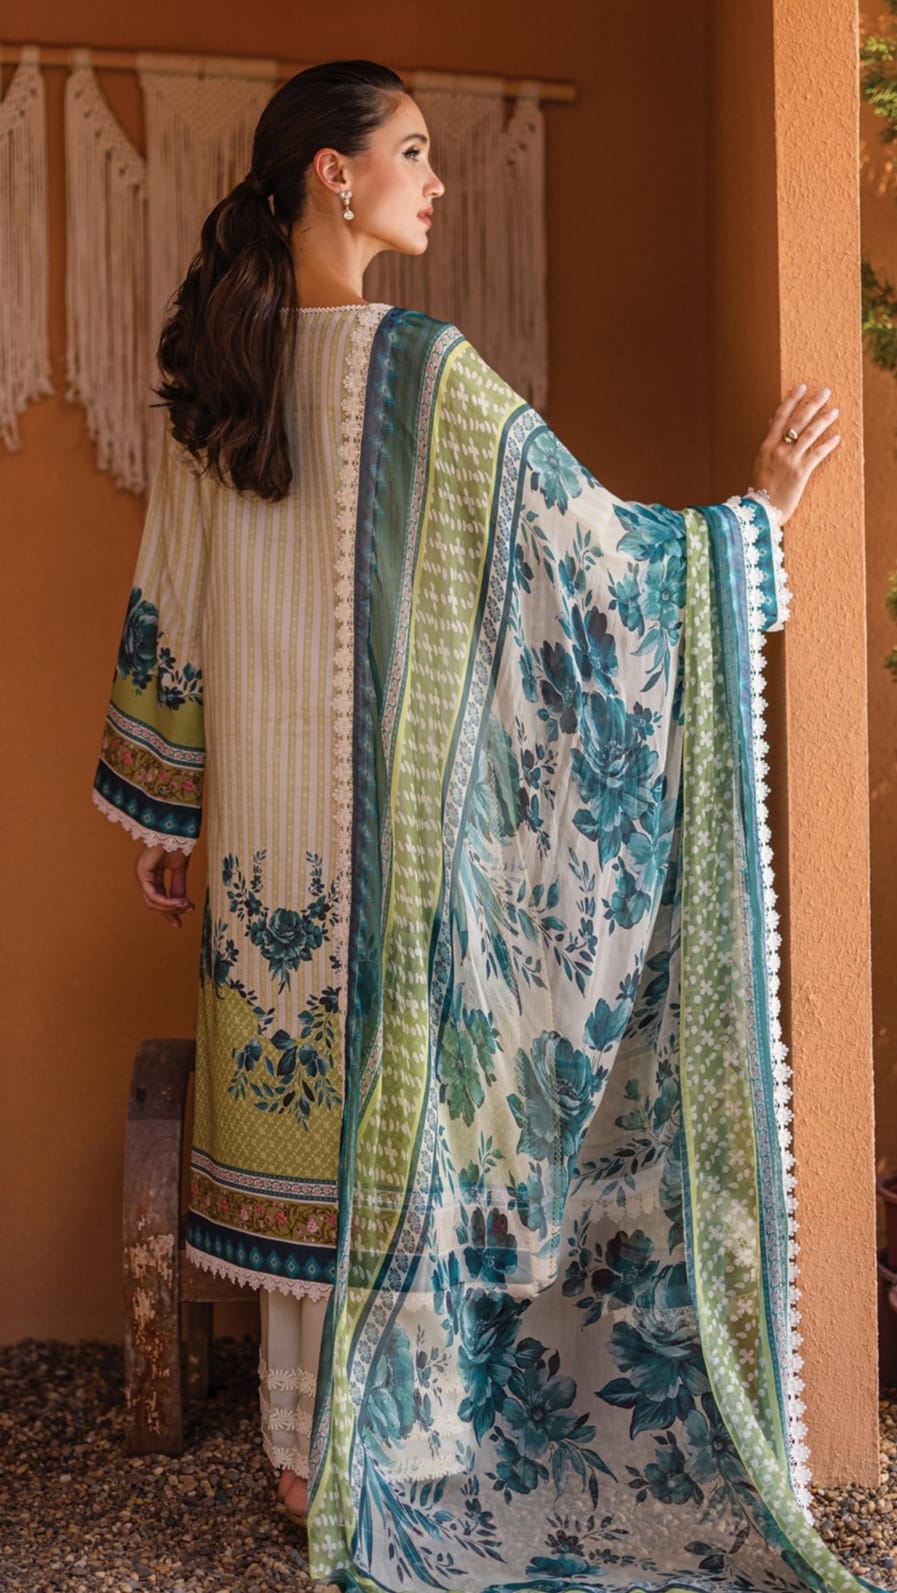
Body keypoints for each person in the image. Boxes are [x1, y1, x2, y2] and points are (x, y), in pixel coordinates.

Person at [93, 59, 872, 1593]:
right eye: (411, 151)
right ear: (333, 174)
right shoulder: (423, 372)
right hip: (398, 840)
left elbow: (167, 584)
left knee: (300, 1122)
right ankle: (379, 1459)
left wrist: (162, 803)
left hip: (262, 843)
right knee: (393, 1125)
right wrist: (749, 524)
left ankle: (299, 1455)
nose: (434, 181)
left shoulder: (220, 371)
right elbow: (586, 553)